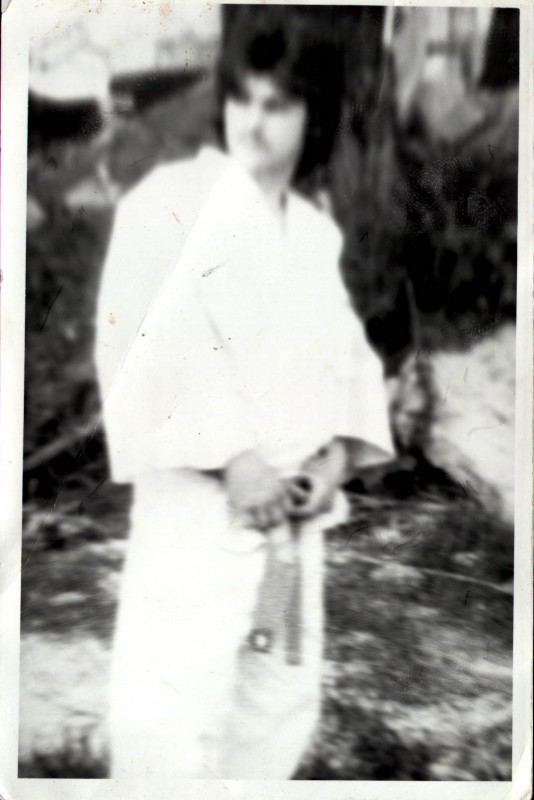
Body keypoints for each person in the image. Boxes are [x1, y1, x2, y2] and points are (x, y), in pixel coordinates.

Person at [95, 10, 394, 782]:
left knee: (274, 709)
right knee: (170, 713)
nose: (253, 121)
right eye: (243, 99)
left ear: (313, 118)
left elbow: (346, 363)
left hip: (289, 525)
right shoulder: (169, 202)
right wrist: (232, 458)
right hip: (199, 516)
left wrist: (334, 458)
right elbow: (143, 342)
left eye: (278, 105)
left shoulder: (314, 233)